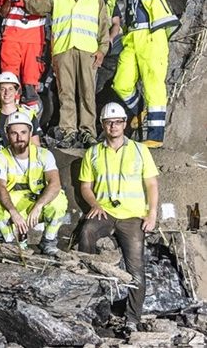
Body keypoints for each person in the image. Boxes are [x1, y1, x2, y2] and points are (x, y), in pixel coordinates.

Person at [75, 102, 159, 327]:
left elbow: (151, 184)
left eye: (118, 122)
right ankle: (89, 300)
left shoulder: (140, 151)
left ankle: (132, 318)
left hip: (132, 216)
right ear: (102, 124)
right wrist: (94, 204)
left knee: (136, 267)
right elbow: (85, 186)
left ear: (124, 124)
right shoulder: (93, 152)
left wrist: (151, 214)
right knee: (86, 232)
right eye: (109, 122)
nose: (113, 126)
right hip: (104, 212)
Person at [22, 0, 111, 147]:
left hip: (87, 51)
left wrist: (102, 49)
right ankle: (69, 131)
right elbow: (34, 6)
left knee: (87, 93)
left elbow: (103, 26)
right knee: (66, 93)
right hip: (64, 51)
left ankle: (87, 132)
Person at [114, 0, 183, 146]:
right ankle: (139, 110)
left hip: (153, 36)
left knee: (154, 82)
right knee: (121, 83)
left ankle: (155, 136)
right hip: (132, 38)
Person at [0, 111, 68, 254]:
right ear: (7, 134)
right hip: (15, 202)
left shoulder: (44, 154)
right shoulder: (0, 157)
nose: (19, 138)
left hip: (37, 201)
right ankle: (11, 242)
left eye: (23, 132)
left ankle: (48, 241)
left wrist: (39, 206)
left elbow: (55, 184)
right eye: (14, 133)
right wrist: (13, 212)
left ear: (30, 133)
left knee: (59, 200)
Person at [0, 71, 41, 150]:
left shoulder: (28, 114)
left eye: (10, 89)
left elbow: (36, 145)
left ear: (16, 92)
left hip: (23, 160)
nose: (6, 93)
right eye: (2, 89)